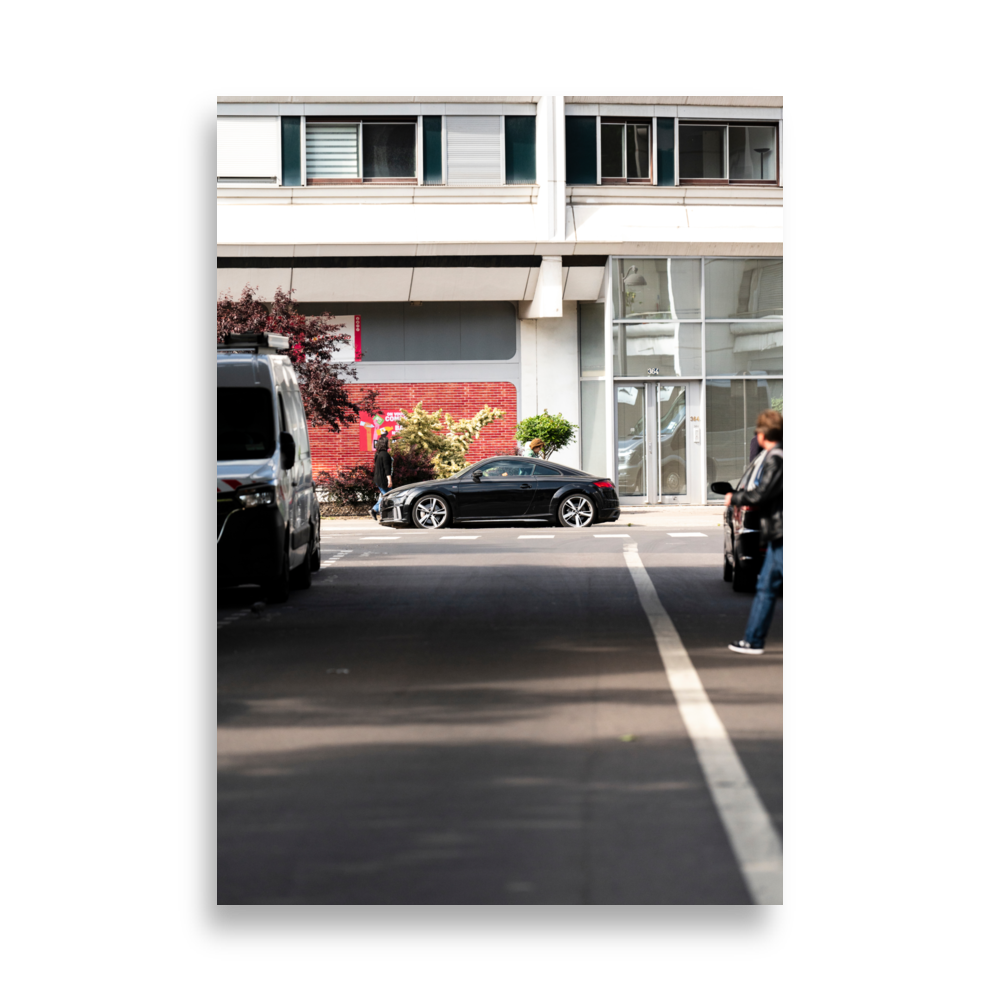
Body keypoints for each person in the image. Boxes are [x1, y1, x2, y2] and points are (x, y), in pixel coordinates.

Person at [726, 410, 783, 654]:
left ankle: (753, 640)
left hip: (781, 534)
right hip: (776, 534)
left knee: (766, 589)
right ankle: (753, 640)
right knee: (766, 588)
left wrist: (735, 496)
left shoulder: (775, 458)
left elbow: (763, 492)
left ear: (761, 435)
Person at [370, 431, 393, 521]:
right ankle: (377, 511)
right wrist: (389, 480)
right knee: (388, 496)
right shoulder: (386, 455)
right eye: (388, 442)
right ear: (385, 443)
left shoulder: (378, 454)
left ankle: (377, 511)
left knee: (386, 496)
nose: (389, 443)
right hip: (383, 479)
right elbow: (387, 469)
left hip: (377, 479)